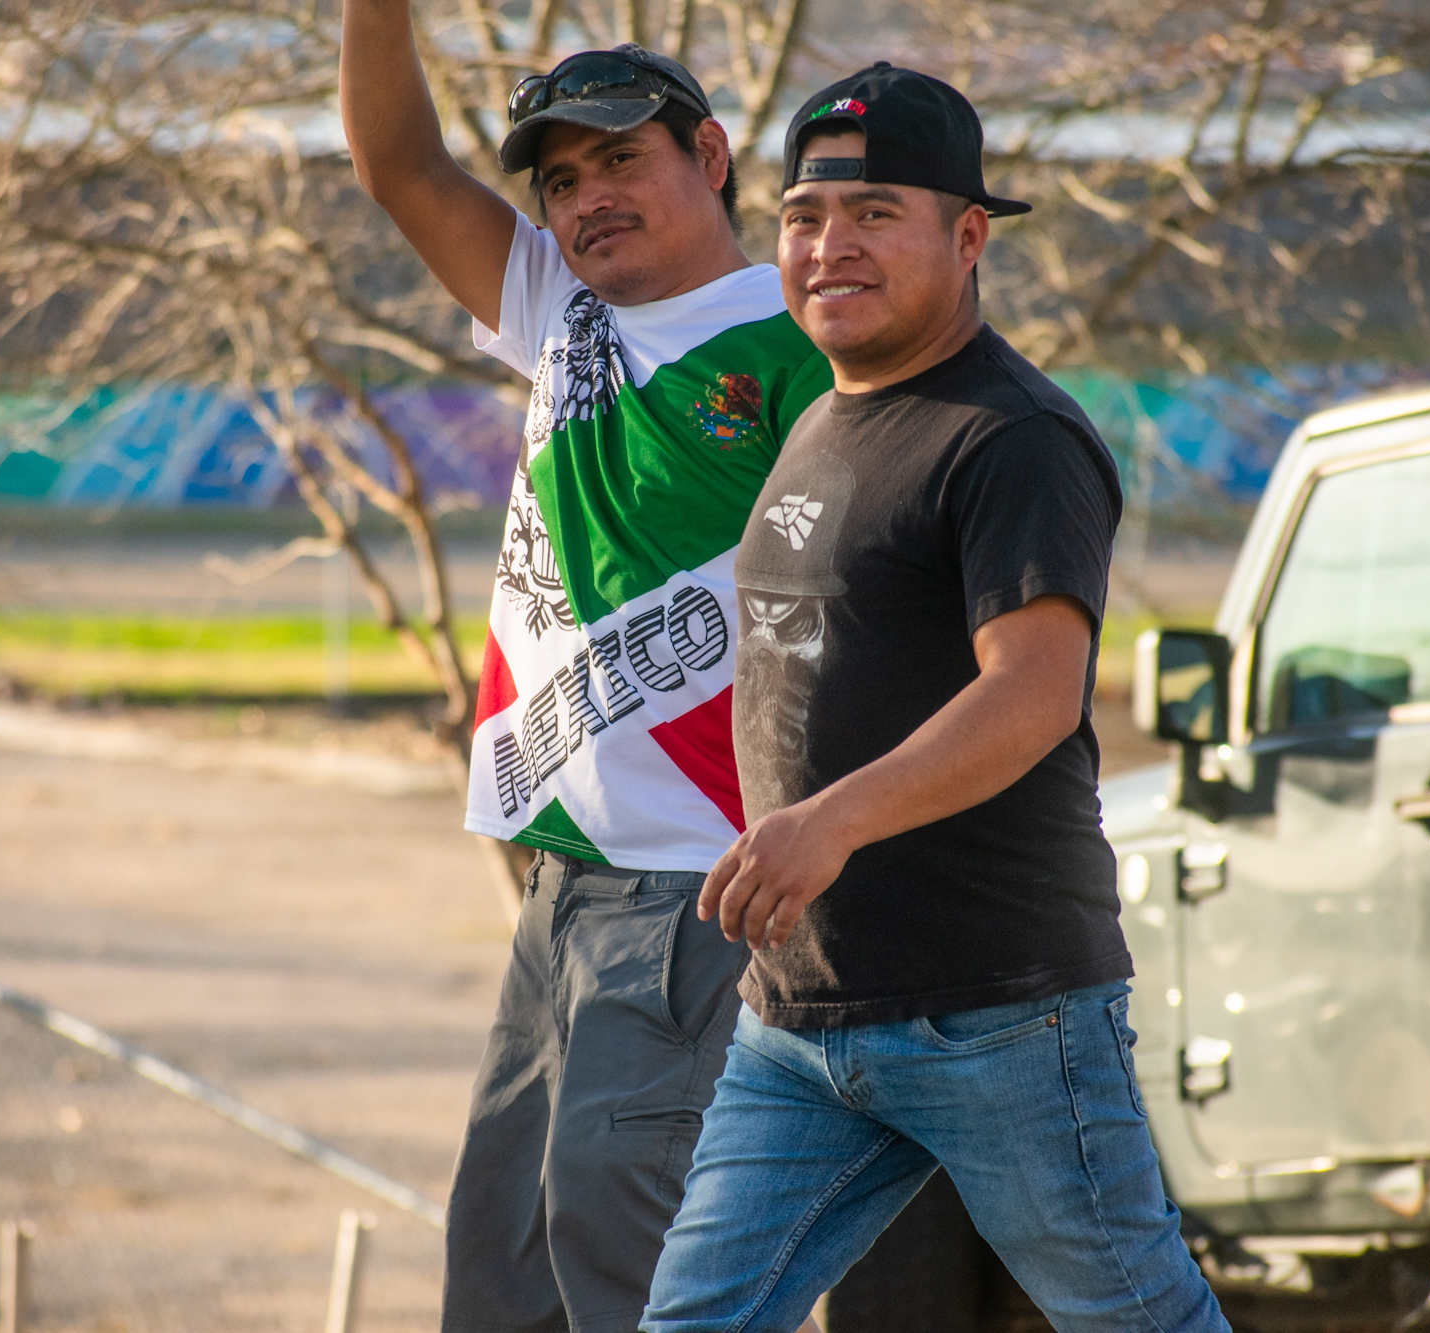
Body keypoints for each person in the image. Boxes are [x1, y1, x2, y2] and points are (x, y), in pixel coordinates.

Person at [640, 64, 1232, 1333]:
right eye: (802, 216)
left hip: (998, 1014)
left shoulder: (1011, 436)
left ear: (967, 239)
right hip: (799, 1022)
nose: (827, 247)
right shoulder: (823, 419)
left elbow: (1030, 696)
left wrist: (828, 823)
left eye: (873, 215)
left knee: (1137, 1320)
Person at [339, 13, 834, 1331]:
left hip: (694, 888)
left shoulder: (803, 342)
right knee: (499, 1286)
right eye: (559, 181)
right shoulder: (562, 310)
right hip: (555, 895)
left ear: (712, 156)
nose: (585, 199)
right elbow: (395, 161)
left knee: (648, 1289)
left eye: (618, 160)